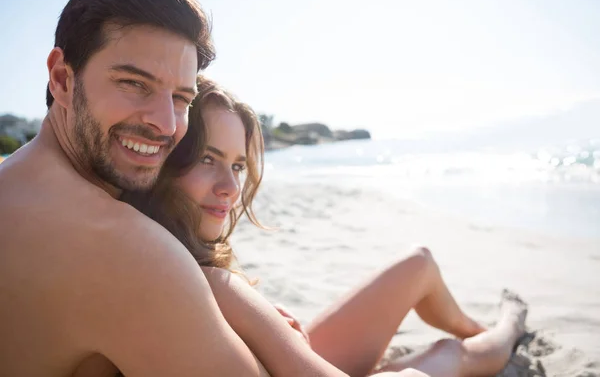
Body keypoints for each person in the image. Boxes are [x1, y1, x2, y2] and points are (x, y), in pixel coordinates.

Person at [122, 76, 529, 377]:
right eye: (207, 160)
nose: (230, 188)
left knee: (419, 263)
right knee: (445, 357)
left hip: (292, 363)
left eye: (238, 166)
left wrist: (266, 330)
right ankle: (509, 328)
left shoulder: (157, 256)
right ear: (165, 162)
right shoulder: (204, 283)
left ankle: (482, 330)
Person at [0, 0, 272, 376]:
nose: (165, 125)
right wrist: (238, 305)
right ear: (61, 79)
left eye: (181, 99)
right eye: (134, 84)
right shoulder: (123, 248)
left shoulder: (15, 185)